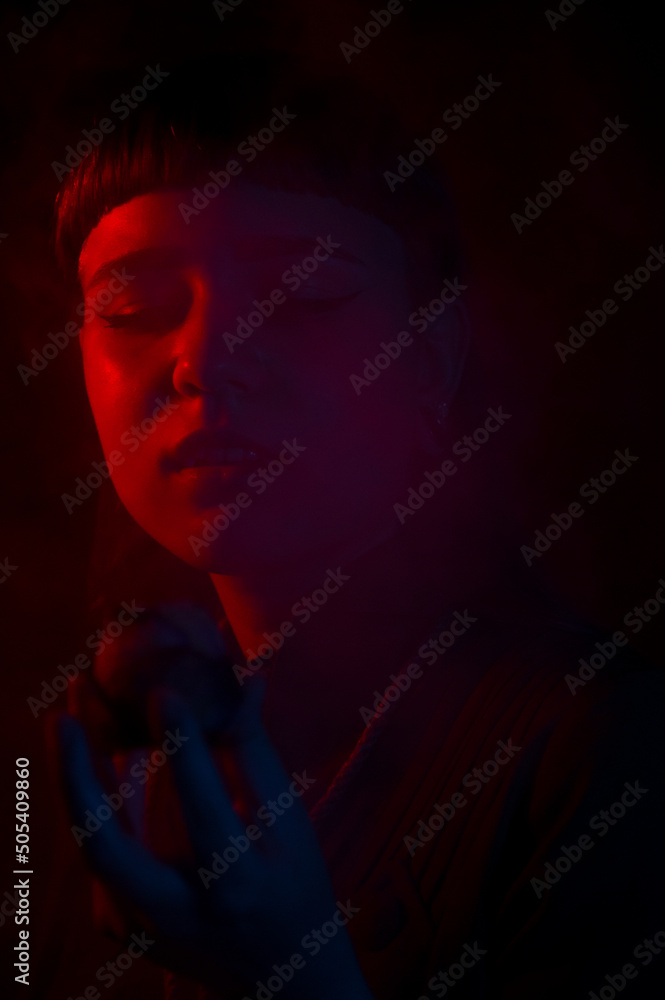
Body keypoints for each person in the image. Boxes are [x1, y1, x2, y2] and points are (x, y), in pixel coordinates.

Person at [51, 53, 665, 999]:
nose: (205, 363)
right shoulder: (88, 756)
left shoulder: (601, 751)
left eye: (301, 297)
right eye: (133, 306)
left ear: (434, 351)